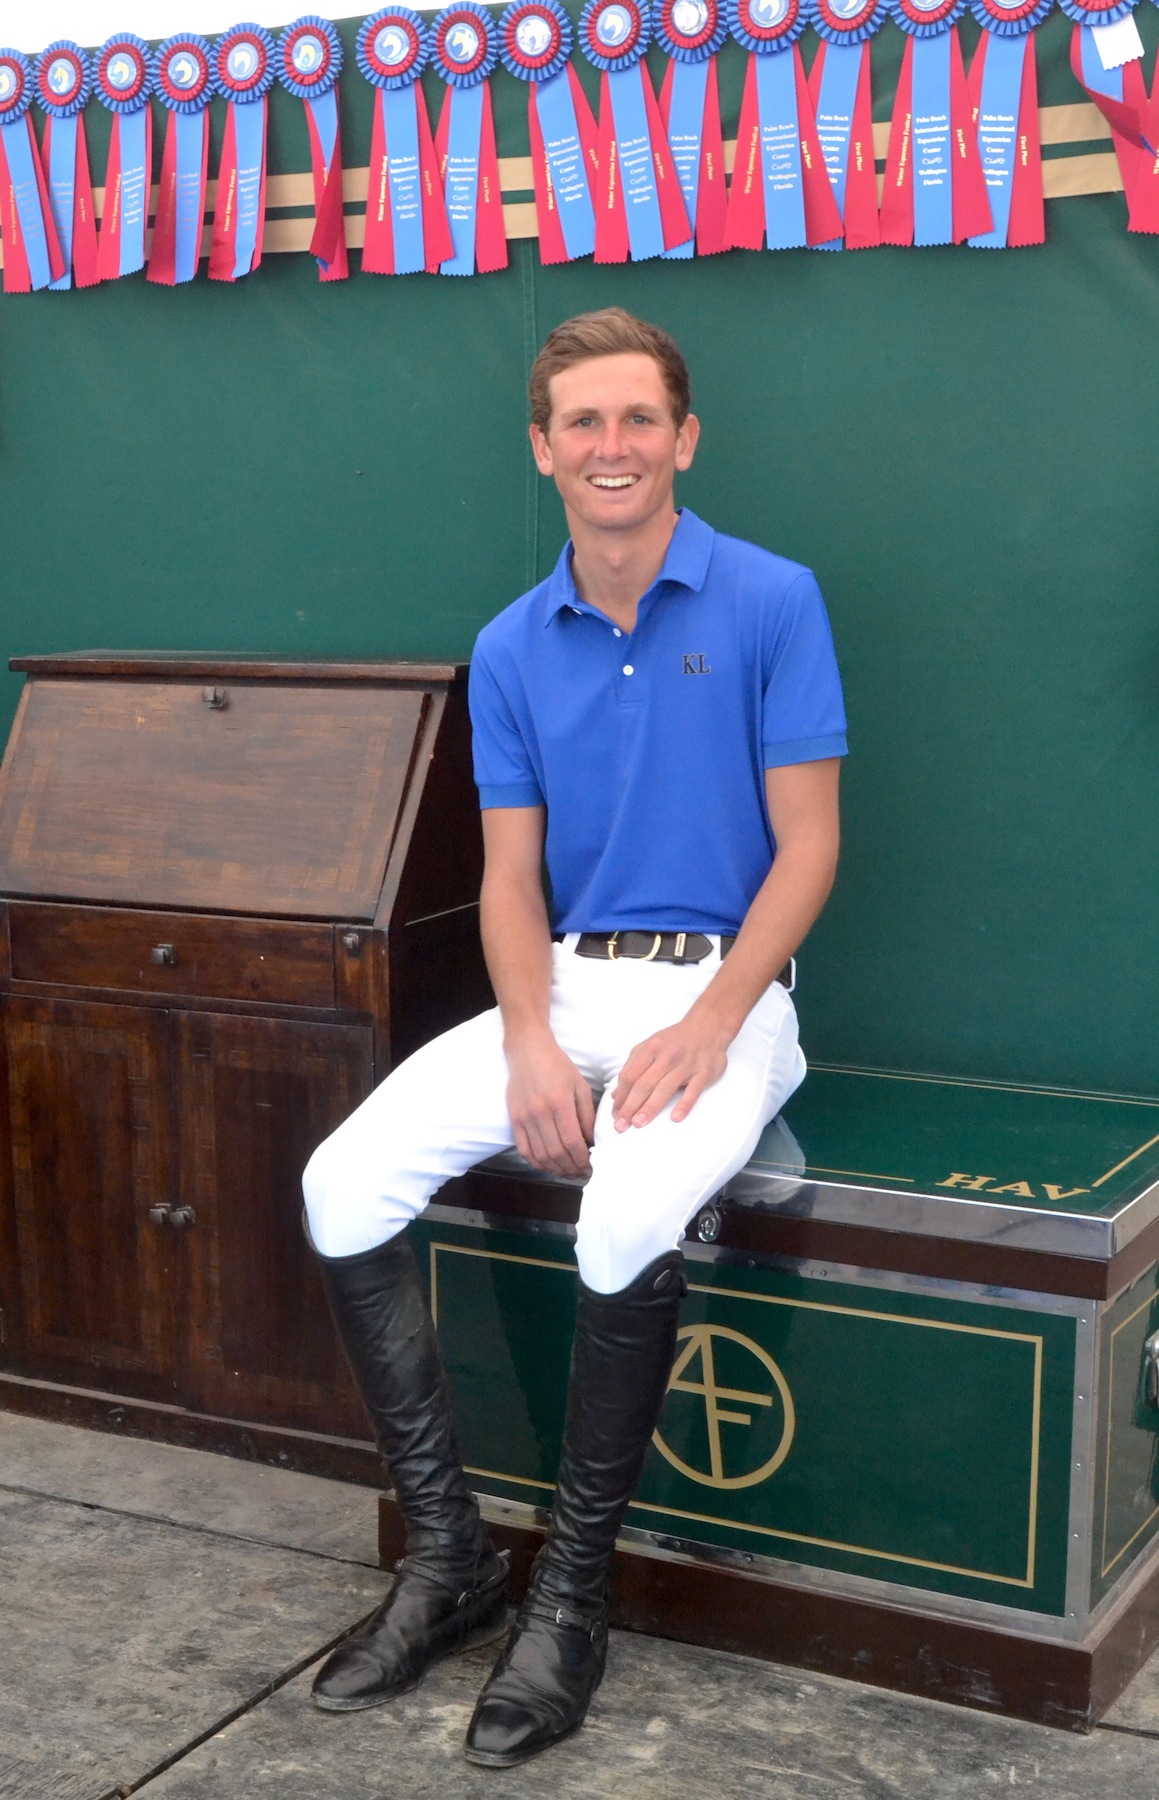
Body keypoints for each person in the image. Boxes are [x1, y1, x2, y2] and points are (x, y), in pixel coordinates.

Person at [301, 306, 846, 1768]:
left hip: (727, 994)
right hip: (562, 989)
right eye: (583, 423)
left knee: (622, 1221)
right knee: (339, 1186)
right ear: (543, 450)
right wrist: (529, 1039)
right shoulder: (508, 642)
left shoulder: (774, 599)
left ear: (685, 439)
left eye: (638, 419)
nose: (614, 446)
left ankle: (570, 1600)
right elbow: (510, 879)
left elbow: (809, 847)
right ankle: (452, 1559)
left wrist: (717, 1022)